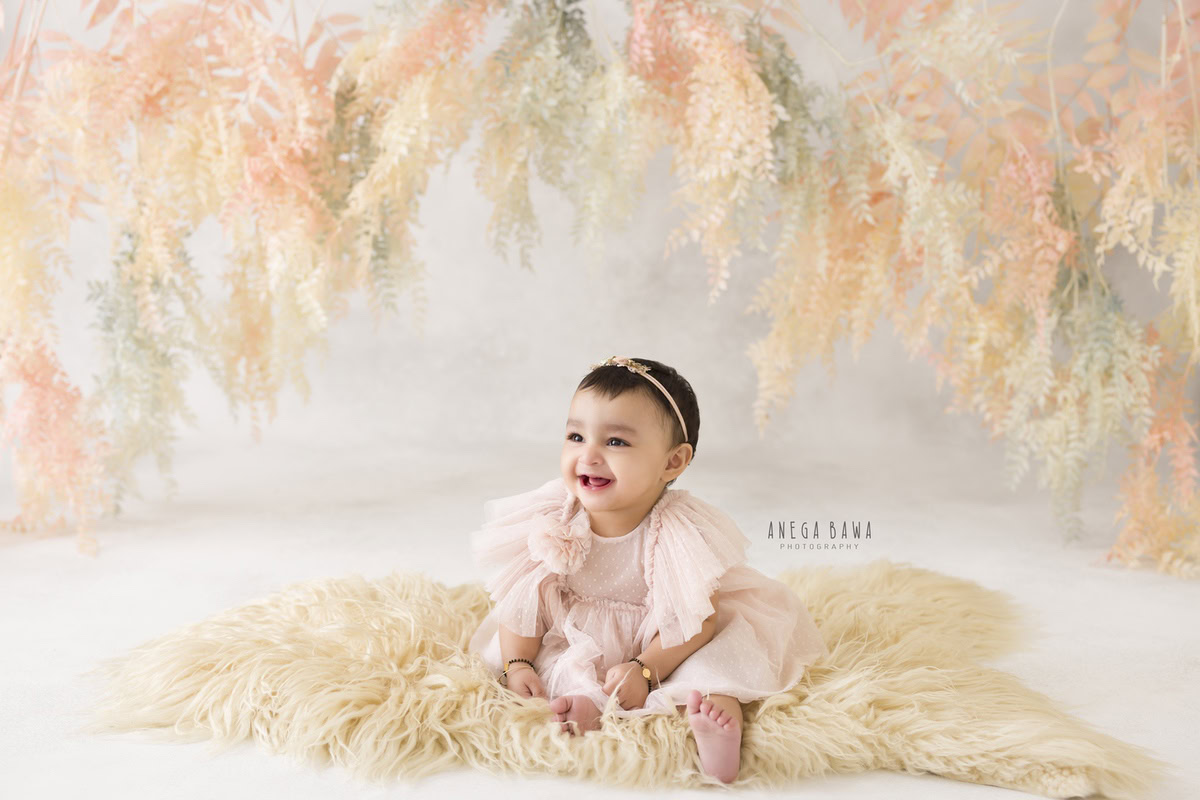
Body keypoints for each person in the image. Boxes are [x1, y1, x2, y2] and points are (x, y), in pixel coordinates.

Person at [467, 356, 829, 784]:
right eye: (576, 436)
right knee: (560, 668)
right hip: (580, 635)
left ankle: (717, 733)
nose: (589, 455)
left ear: (672, 463)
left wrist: (644, 669)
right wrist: (517, 664)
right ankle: (586, 709)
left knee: (712, 672)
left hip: (668, 642)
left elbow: (697, 621)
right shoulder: (555, 518)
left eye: (616, 442)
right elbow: (524, 604)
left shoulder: (678, 530)